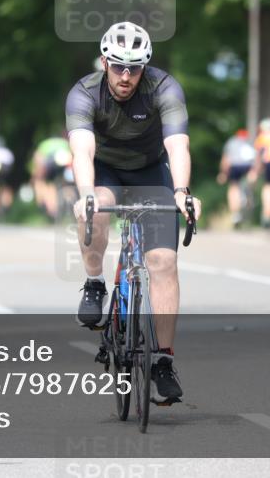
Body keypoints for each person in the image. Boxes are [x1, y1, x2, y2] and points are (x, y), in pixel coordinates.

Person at [66, 21, 202, 402]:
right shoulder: (84, 93)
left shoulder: (164, 88)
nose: (126, 76)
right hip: (106, 170)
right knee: (95, 209)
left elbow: (177, 145)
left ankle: (162, 360)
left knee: (162, 262)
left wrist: (181, 191)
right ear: (105, 62)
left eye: (135, 68)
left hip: (150, 171)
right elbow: (82, 151)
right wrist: (85, 194)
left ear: (145, 67)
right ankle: (95, 283)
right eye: (119, 67)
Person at [217, 128, 256, 227]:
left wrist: (223, 173)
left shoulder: (231, 142)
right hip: (248, 166)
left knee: (233, 188)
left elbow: (226, 159)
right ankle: (247, 194)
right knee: (250, 181)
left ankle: (235, 214)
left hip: (234, 166)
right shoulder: (251, 141)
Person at [30, 135, 73, 221]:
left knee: (47, 185)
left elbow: (38, 161)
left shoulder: (44, 144)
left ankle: (51, 208)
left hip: (50, 164)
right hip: (66, 163)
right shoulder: (65, 143)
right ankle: (70, 203)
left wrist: (36, 176)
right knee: (67, 185)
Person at [251, 117, 270, 229]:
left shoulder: (263, 137)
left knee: (268, 187)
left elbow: (259, 157)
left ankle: (268, 215)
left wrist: (255, 172)